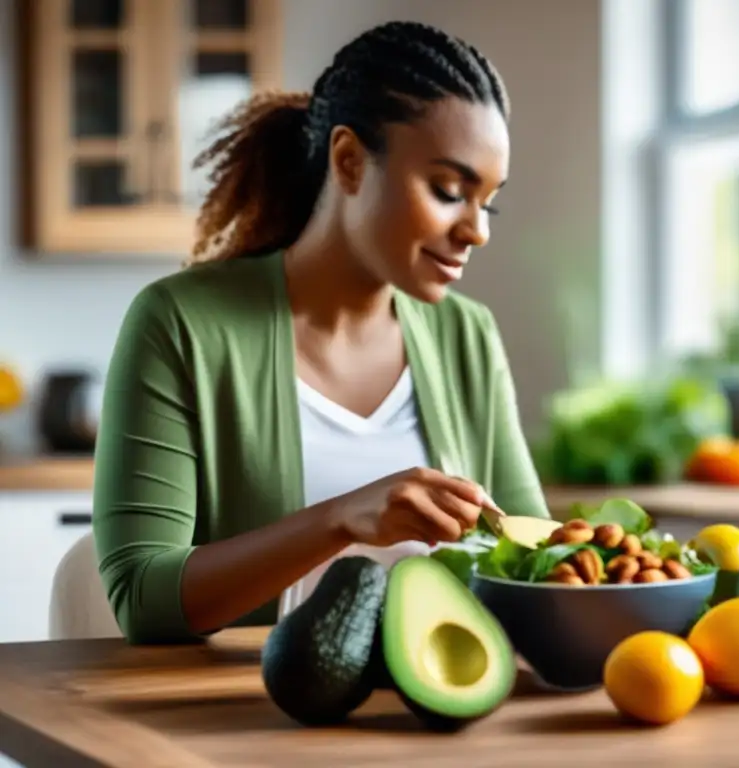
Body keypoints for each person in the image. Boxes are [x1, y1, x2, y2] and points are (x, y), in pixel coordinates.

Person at [91, 20, 550, 646]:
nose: (477, 230)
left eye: (487, 202)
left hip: (441, 720)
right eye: (449, 191)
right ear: (349, 161)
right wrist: (342, 519)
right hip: (236, 724)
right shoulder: (182, 324)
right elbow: (142, 595)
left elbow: (534, 555)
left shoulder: (467, 336)